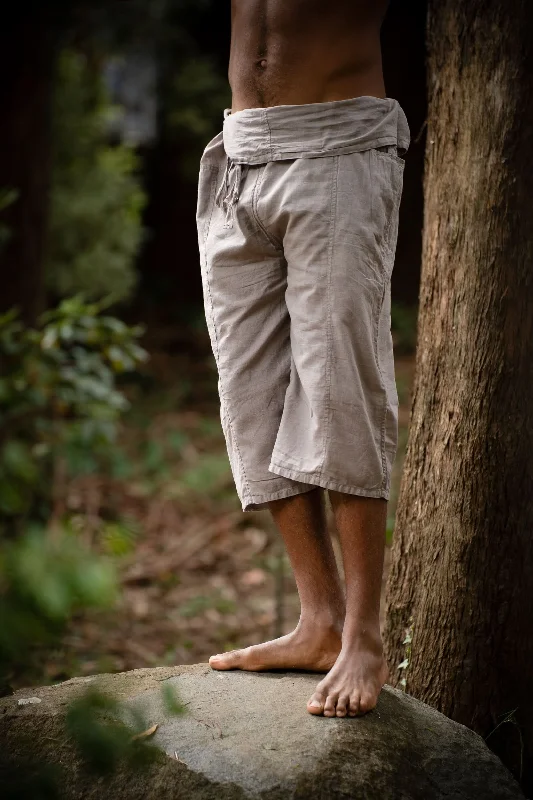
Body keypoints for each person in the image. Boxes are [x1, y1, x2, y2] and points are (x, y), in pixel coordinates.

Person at [196, 0, 409, 718]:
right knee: (249, 396)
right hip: (240, 153)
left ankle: (362, 636)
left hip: (337, 148)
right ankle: (316, 621)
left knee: (339, 391)